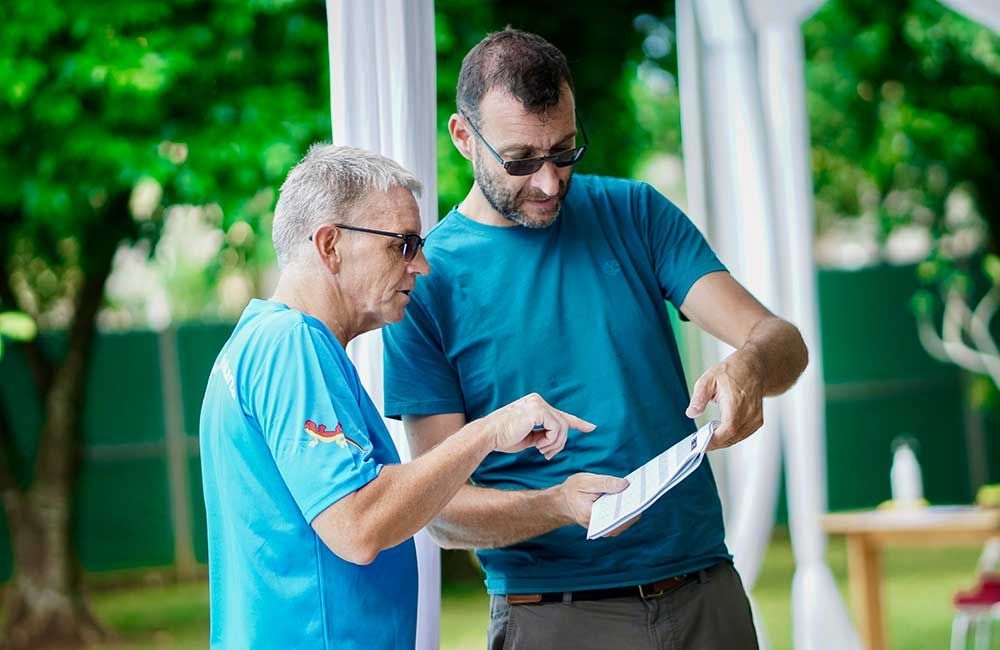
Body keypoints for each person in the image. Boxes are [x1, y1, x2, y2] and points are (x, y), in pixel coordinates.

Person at [383, 29, 809, 649]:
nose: (551, 182)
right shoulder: (425, 282)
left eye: (564, 151)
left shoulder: (633, 213)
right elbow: (440, 509)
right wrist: (557, 505)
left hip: (704, 597)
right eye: (522, 159)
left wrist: (749, 364)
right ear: (462, 137)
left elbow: (782, 340)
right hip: (553, 618)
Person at [198, 144, 595, 649]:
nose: (422, 265)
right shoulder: (290, 343)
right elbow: (358, 524)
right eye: (403, 244)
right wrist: (487, 432)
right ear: (330, 245)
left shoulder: (257, 343)